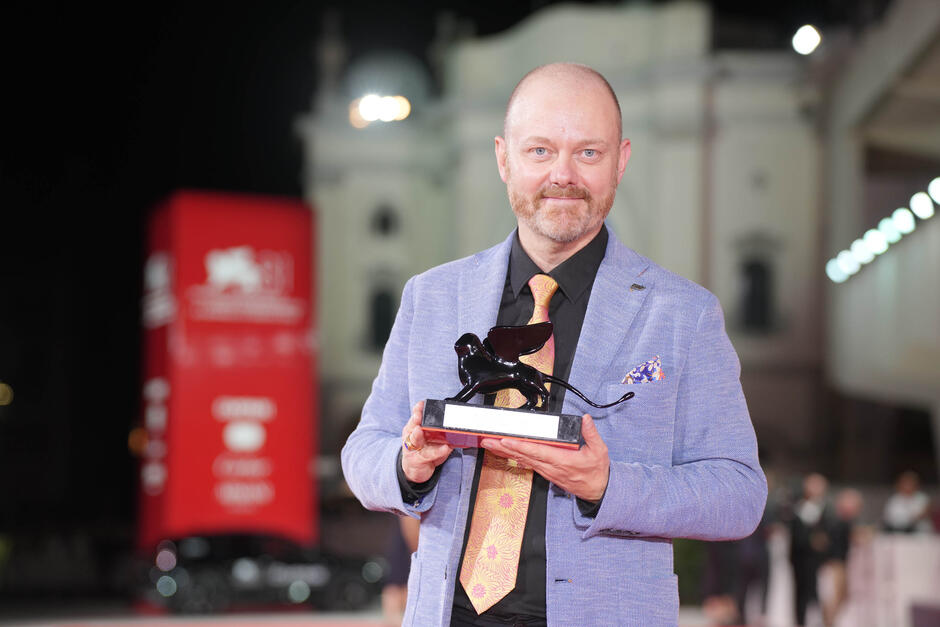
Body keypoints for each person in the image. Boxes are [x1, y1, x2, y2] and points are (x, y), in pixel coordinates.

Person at [341, 63, 767, 626]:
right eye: (540, 150)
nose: (563, 175)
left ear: (621, 161)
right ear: (503, 158)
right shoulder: (433, 296)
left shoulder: (683, 314)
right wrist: (406, 465)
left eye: (588, 152)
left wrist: (608, 485)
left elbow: (739, 494)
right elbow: (363, 450)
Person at [789, 472, 831, 627]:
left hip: (820, 561)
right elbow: (795, 534)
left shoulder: (827, 509)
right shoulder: (798, 507)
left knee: (821, 593)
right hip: (800, 559)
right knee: (800, 593)